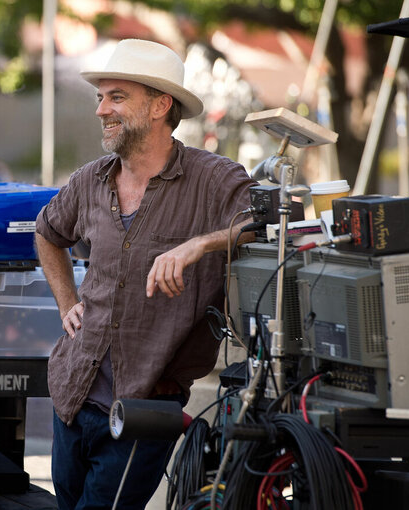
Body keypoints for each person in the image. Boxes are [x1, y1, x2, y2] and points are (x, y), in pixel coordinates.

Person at [35, 38, 257, 509]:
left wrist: (200, 244)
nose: (101, 110)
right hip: (72, 392)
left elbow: (270, 219)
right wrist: (66, 302)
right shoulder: (90, 179)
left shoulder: (213, 179)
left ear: (160, 106)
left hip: (146, 402)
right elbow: (47, 233)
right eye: (101, 97)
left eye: (117, 97)